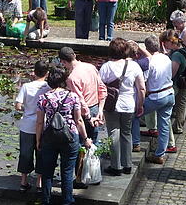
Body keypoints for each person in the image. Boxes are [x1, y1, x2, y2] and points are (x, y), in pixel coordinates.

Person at [35, 65, 92, 205]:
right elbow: (78, 120)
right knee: (67, 172)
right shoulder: (73, 97)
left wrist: (38, 140)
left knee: (47, 171)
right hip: (69, 136)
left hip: (49, 136)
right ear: (64, 80)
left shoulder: (43, 98)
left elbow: (40, 122)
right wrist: (85, 139)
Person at [99, 38, 145, 176]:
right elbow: (141, 88)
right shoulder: (134, 66)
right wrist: (140, 105)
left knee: (113, 133)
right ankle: (128, 164)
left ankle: (116, 165)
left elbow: (100, 88)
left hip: (112, 105)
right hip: (128, 104)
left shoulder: (106, 67)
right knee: (126, 133)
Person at [137, 34, 176, 165]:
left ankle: (135, 143)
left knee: (135, 115)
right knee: (164, 125)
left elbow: (143, 83)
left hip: (157, 97)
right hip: (170, 94)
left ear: (147, 48)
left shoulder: (149, 63)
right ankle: (160, 154)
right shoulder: (166, 58)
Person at [58, 46, 106, 145]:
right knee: (94, 143)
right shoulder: (91, 67)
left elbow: (80, 100)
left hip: (84, 113)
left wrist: (88, 118)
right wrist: (100, 110)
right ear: (74, 55)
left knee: (81, 144)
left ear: (63, 62)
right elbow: (102, 88)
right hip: (96, 107)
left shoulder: (72, 78)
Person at [15, 60, 50, 192]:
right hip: (44, 124)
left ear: (34, 72)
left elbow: (18, 105)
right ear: (47, 73)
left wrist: (26, 108)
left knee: (25, 153)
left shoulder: (26, 87)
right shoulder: (49, 87)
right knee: (41, 151)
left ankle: (24, 180)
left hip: (27, 125)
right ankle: (39, 181)